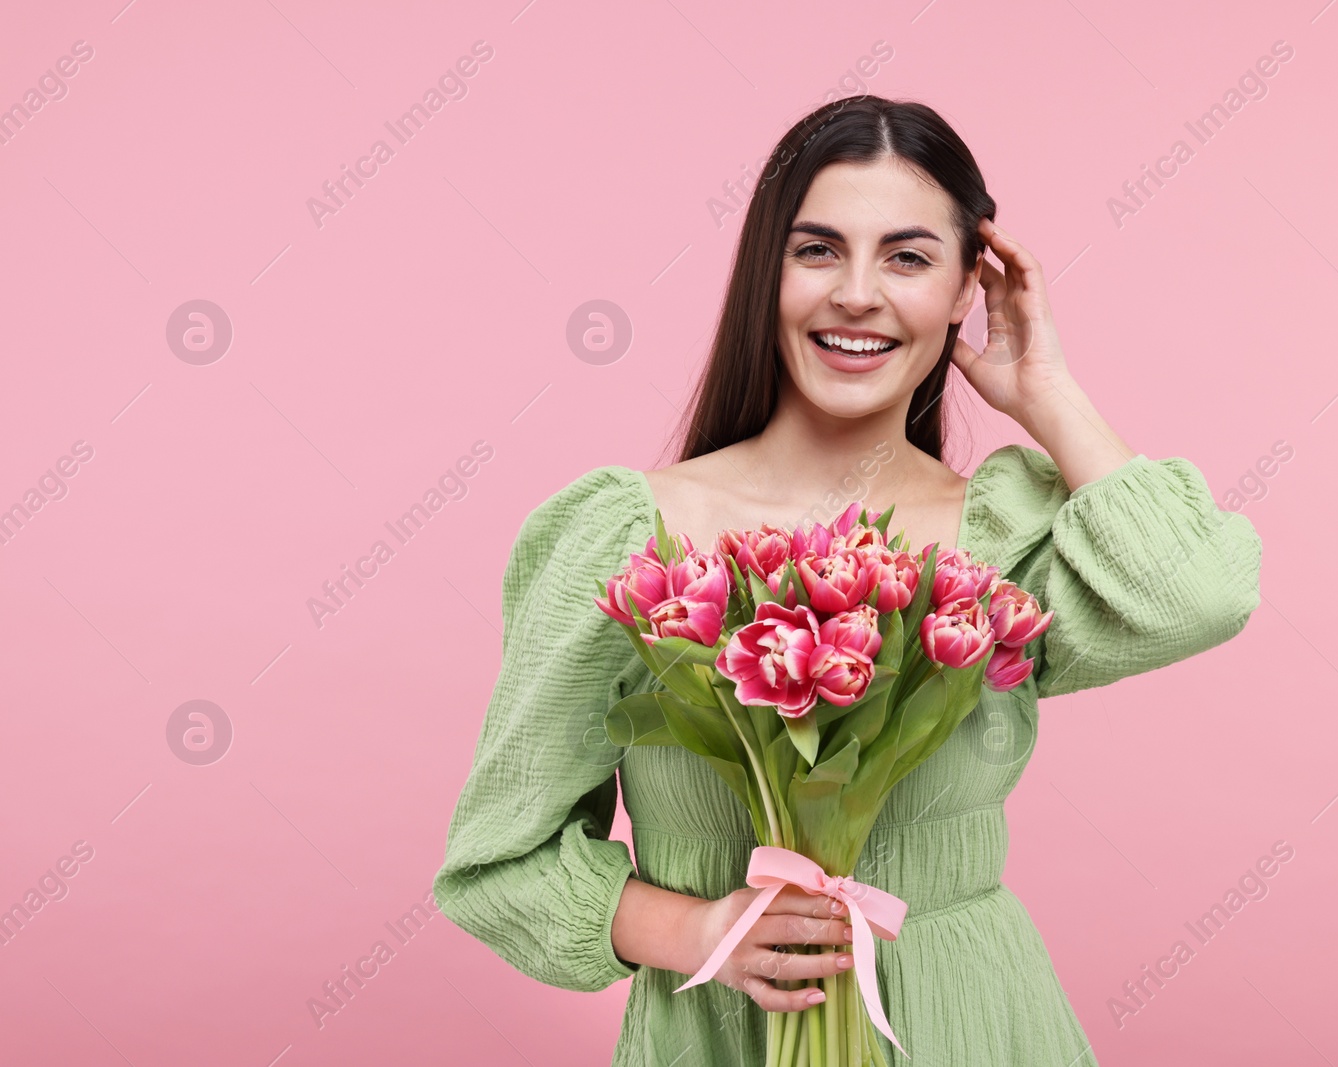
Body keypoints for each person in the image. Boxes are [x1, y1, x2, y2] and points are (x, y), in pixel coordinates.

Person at [433, 94, 1263, 1066]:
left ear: (967, 290)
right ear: (763, 275)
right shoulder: (630, 539)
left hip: (973, 1022)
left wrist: (1047, 391)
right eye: (817, 250)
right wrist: (699, 934)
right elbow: (498, 863)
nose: (857, 294)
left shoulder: (1001, 543)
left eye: (907, 257)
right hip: (720, 1036)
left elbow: (1200, 590)